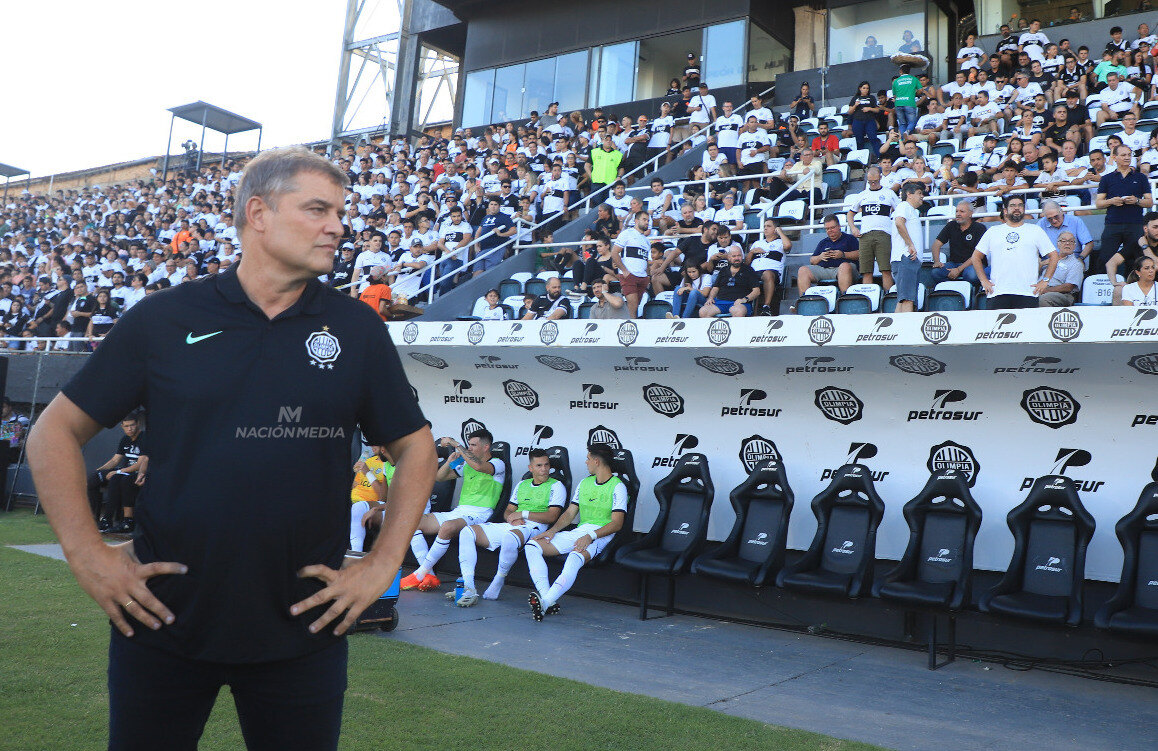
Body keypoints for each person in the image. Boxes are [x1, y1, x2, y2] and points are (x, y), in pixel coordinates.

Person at [26, 146, 436, 750]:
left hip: (305, 626)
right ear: (259, 214)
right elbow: (53, 433)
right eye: (318, 209)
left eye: (340, 212)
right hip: (160, 619)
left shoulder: (356, 329)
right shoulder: (164, 318)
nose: (339, 226)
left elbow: (417, 450)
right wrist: (87, 555)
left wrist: (380, 565)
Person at [525, 443, 627, 621]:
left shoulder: (618, 486)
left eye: (588, 459)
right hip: (580, 531)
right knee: (532, 546)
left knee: (573, 557)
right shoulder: (585, 482)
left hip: (600, 535)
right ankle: (546, 599)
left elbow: (617, 524)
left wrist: (591, 536)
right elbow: (571, 512)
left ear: (596, 461)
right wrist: (553, 530)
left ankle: (546, 601)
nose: (586, 462)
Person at [454, 448, 566, 606]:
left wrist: (524, 515)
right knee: (467, 531)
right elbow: (509, 511)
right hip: (514, 525)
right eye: (539, 465)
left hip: (536, 527)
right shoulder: (523, 484)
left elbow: (552, 516)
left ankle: (498, 580)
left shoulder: (557, 485)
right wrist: (511, 518)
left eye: (546, 465)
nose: (544, 469)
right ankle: (468, 586)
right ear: (531, 468)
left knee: (510, 537)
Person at [402, 430, 504, 593]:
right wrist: (450, 461)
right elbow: (440, 477)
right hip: (459, 512)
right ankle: (430, 575)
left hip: (480, 514)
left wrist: (457, 445)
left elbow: (479, 466)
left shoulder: (498, 463)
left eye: (473, 445)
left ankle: (420, 574)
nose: (469, 448)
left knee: (447, 527)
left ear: (486, 447)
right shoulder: (466, 464)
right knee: (414, 522)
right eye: (468, 445)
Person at [971, 196, 1059, 309]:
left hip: (1028, 293)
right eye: (1013, 205)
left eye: (1020, 205)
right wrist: (983, 280)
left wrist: (1045, 280)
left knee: (1026, 327)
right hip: (997, 292)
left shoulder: (1035, 230)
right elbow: (975, 257)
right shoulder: (993, 231)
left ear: (1024, 209)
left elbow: (1054, 256)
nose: (1017, 208)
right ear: (1005, 211)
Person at [1095, 144, 1153, 274]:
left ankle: (1134, 290)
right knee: (1105, 258)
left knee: (1135, 261)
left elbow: (1150, 202)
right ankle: (1105, 289)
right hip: (1113, 224)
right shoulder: (1106, 179)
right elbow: (1098, 203)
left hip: (1135, 224)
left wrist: (1137, 201)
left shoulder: (1141, 177)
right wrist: (1111, 201)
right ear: (1114, 157)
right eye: (1123, 155)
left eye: (1129, 154)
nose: (1127, 158)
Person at [85, 413, 147, 533]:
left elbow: (140, 464)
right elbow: (115, 460)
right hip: (123, 471)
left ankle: (108, 519)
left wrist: (118, 471)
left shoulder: (145, 438)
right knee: (94, 478)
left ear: (138, 424)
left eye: (132, 425)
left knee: (116, 478)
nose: (130, 429)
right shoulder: (125, 439)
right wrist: (100, 471)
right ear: (122, 427)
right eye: (126, 426)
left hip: (135, 472)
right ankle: (93, 517)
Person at [846, 166, 898, 288]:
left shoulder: (889, 193)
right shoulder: (862, 195)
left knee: (886, 269)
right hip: (865, 235)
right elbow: (850, 213)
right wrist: (853, 228)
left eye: (875, 181)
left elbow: (900, 210)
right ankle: (868, 299)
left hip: (884, 234)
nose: (873, 183)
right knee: (866, 271)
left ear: (880, 177)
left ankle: (887, 296)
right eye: (870, 181)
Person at [797, 214, 859, 296]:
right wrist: (820, 257)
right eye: (827, 229)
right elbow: (812, 260)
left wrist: (843, 254)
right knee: (803, 270)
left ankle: (846, 298)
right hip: (824, 269)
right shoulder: (823, 242)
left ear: (839, 226)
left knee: (844, 266)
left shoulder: (849, 238)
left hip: (845, 269)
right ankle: (804, 302)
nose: (830, 231)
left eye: (832, 227)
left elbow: (859, 254)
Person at [348, 445, 392, 553]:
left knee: (356, 509)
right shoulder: (368, 460)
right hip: (352, 501)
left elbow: (382, 497)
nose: (371, 445)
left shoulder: (387, 464)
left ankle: (356, 554)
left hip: (368, 504)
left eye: (375, 442)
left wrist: (367, 472)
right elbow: (355, 485)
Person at [931, 201, 987, 284]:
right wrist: (937, 261)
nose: (958, 214)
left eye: (962, 211)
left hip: (974, 264)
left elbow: (977, 255)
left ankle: (969, 293)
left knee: (971, 275)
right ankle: (951, 291)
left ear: (970, 214)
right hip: (954, 264)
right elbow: (936, 244)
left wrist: (958, 269)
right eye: (956, 211)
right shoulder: (951, 225)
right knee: (936, 272)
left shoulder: (979, 228)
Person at [891, 183, 926, 313]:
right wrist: (910, 244)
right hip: (906, 258)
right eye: (919, 193)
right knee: (907, 299)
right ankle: (907, 330)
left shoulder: (911, 210)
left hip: (907, 259)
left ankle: (898, 331)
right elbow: (899, 222)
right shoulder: (904, 206)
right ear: (909, 194)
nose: (922, 196)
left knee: (904, 298)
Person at [699, 246, 760, 318]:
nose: (737, 258)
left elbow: (757, 291)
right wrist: (711, 298)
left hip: (739, 303)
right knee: (703, 312)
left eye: (739, 255)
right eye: (734, 256)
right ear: (729, 257)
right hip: (720, 302)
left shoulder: (749, 270)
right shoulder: (723, 270)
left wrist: (745, 299)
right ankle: (719, 329)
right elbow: (715, 288)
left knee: (738, 311)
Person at [1038, 231, 1085, 306]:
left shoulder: (1076, 264)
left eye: (1071, 241)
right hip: (1040, 289)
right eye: (1063, 241)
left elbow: (1068, 287)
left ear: (1074, 246)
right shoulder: (1049, 260)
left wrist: (1045, 290)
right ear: (1058, 244)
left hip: (1062, 294)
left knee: (1044, 299)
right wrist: (1042, 264)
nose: (1067, 243)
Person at [473, 198, 516, 276]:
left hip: (495, 248)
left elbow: (513, 230)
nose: (493, 207)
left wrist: (501, 234)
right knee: (477, 272)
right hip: (482, 249)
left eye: (495, 205)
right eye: (491, 204)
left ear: (499, 206)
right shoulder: (485, 218)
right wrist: (476, 245)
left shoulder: (504, 217)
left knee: (490, 274)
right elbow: (478, 232)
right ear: (488, 206)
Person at [0, 396, 29, 510]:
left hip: (11, 453)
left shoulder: (21, 419)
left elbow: (13, 436)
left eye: (3, 407)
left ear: (10, 407)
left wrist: (11, 434)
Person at [892, 65, 920, 136]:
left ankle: (902, 138)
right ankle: (907, 132)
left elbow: (894, 95)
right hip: (909, 103)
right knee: (912, 122)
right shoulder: (914, 79)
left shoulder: (896, 81)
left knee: (902, 124)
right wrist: (915, 93)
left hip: (898, 103)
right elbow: (921, 90)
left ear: (900, 71)